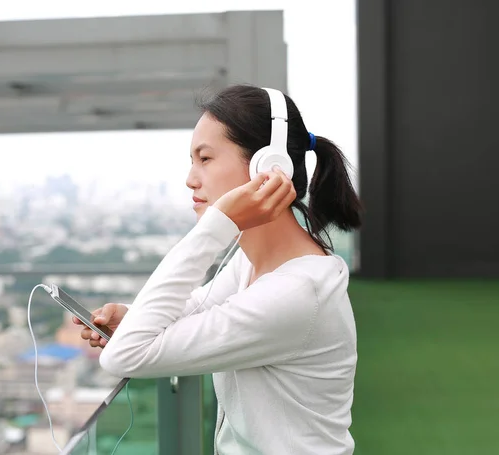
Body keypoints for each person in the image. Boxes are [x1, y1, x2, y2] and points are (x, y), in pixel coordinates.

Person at [73, 84, 363, 455]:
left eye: (205, 159)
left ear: (269, 168)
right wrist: (131, 317)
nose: (190, 179)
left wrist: (218, 224)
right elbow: (197, 309)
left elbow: (124, 356)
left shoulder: (297, 293)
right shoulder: (252, 264)